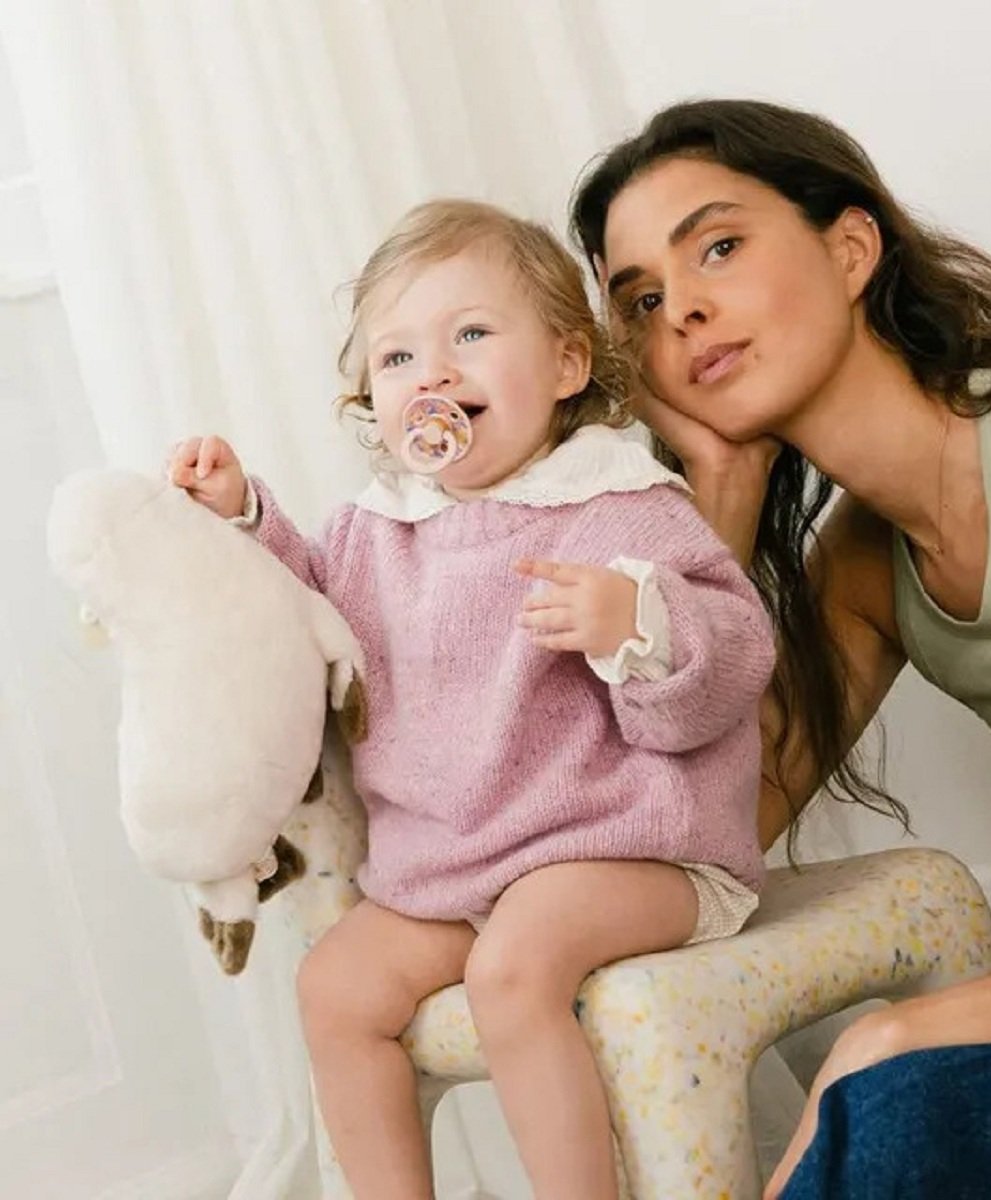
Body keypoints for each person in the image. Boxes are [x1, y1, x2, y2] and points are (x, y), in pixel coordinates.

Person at [570, 98, 991, 1199]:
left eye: (718, 247)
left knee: (902, 1099)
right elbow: (697, 847)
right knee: (906, 1116)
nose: (685, 312)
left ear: (852, 248)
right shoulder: (870, 565)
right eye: (644, 302)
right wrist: (724, 494)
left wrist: (908, 1033)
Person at [166, 199, 775, 1200]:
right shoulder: (376, 531)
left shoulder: (616, 503)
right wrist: (243, 516)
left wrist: (636, 620)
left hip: (628, 852)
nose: (434, 375)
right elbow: (305, 616)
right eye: (398, 357)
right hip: (455, 869)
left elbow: (739, 652)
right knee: (334, 989)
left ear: (567, 365)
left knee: (512, 968)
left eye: (472, 336)